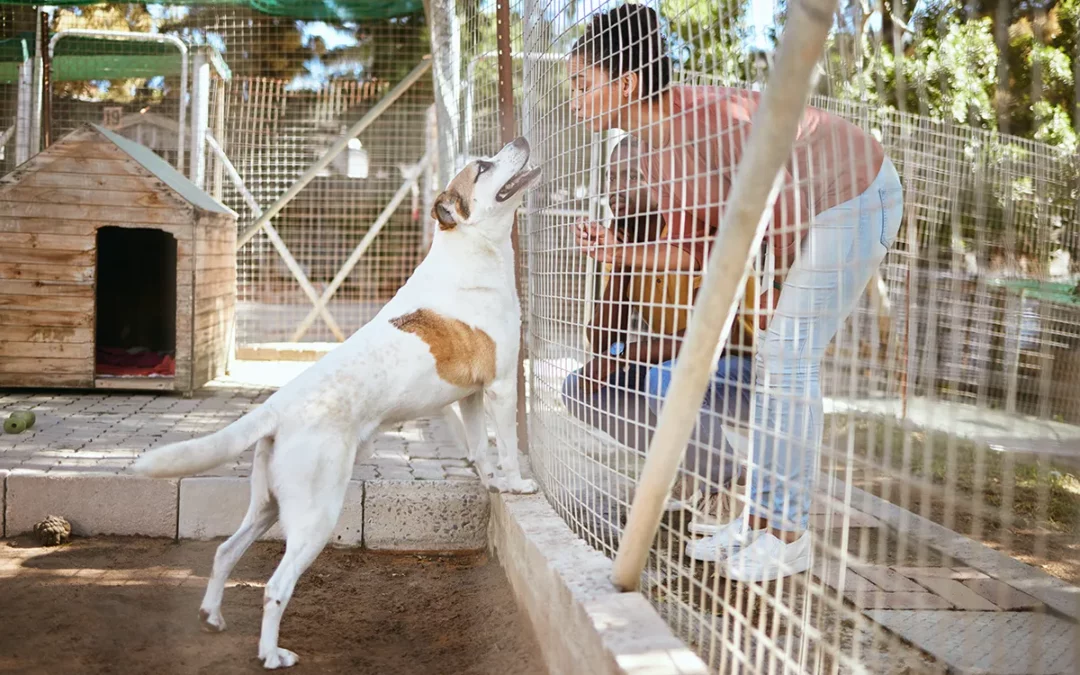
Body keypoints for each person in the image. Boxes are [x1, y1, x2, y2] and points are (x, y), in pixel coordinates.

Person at [567, 3, 904, 581]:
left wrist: (771, 287)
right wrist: (619, 251)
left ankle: (789, 534)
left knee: (786, 354)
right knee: (779, 356)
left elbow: (790, 195)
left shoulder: (711, 117)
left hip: (856, 197)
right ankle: (757, 523)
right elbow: (702, 251)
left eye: (580, 83)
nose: (573, 98)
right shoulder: (650, 151)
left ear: (624, 84)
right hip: (814, 217)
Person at [562, 135, 759, 536]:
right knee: (578, 389)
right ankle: (690, 466)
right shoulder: (631, 242)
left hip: (745, 371)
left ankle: (725, 489)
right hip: (676, 369)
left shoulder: (698, 231)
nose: (614, 189)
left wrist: (629, 354)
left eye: (630, 176)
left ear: (665, 180)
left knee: (661, 379)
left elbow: (720, 333)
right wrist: (618, 260)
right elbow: (601, 342)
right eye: (610, 178)